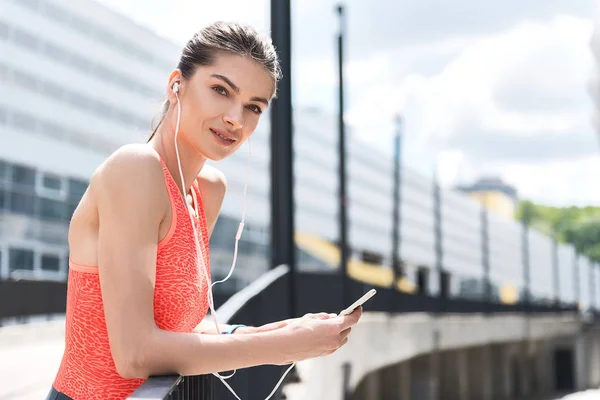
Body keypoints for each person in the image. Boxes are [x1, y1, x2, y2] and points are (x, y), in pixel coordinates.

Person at [46, 21, 362, 400]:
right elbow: (134, 353)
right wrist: (283, 349)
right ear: (176, 84)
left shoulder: (207, 190)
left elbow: (183, 331)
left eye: (253, 107)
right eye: (220, 90)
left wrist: (289, 332)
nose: (236, 119)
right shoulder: (135, 169)